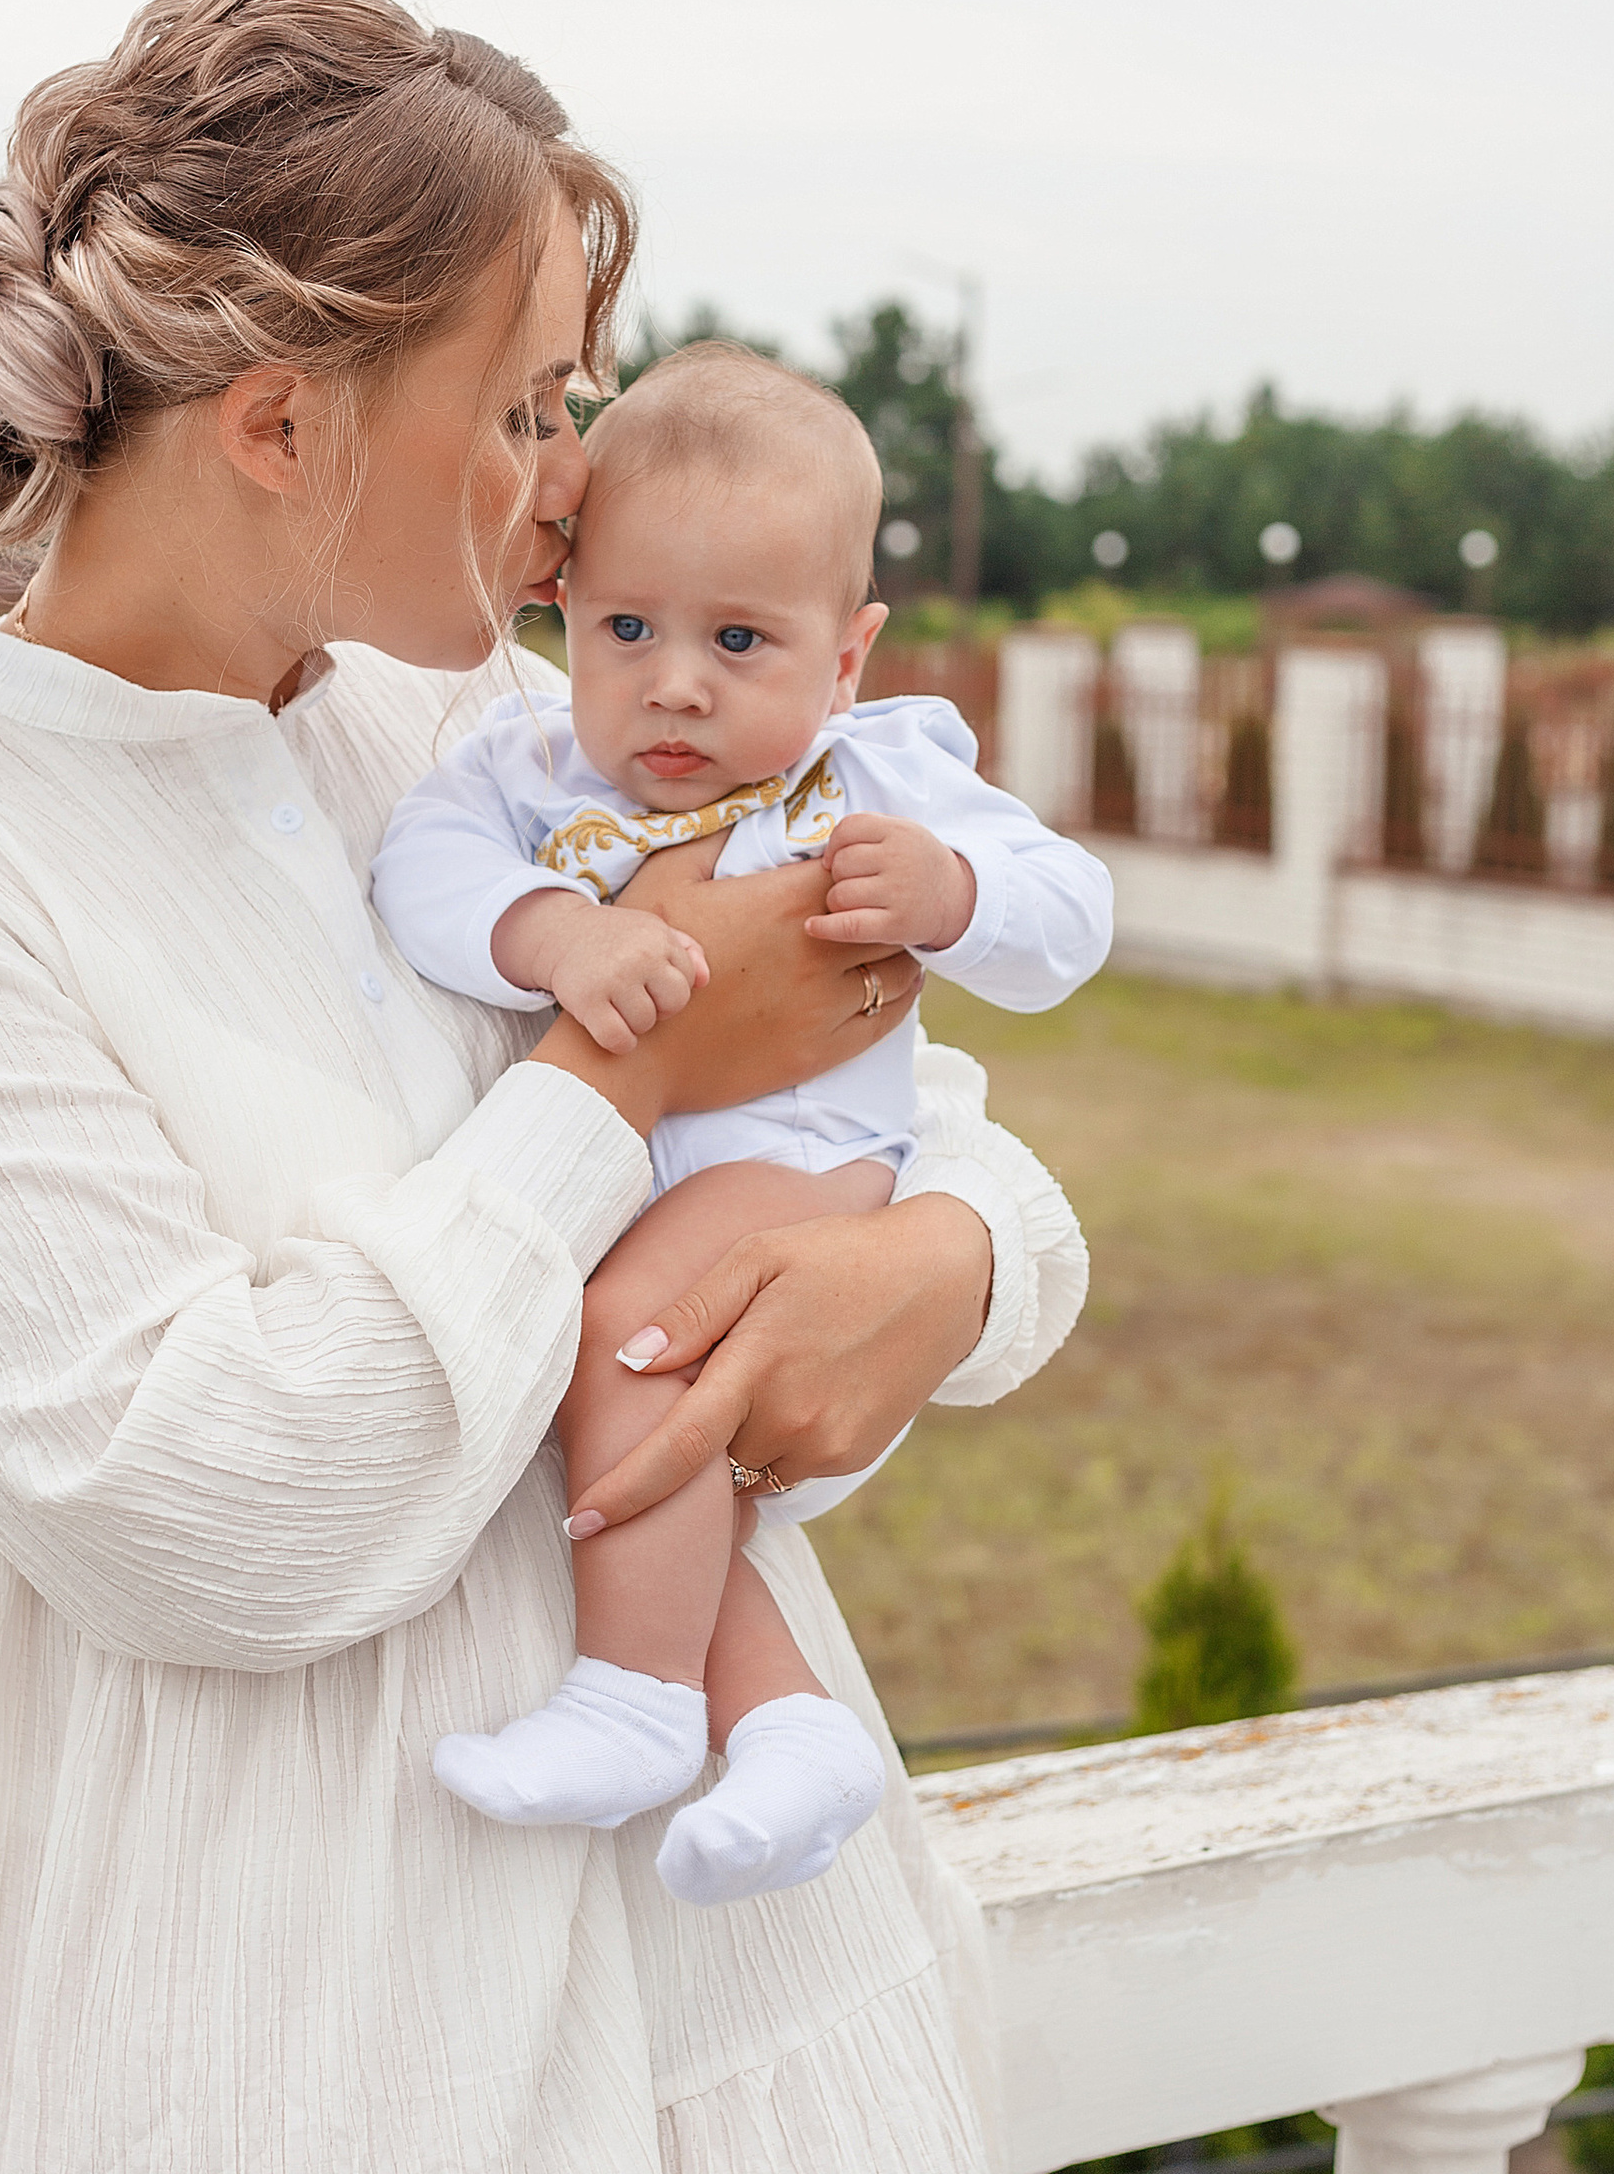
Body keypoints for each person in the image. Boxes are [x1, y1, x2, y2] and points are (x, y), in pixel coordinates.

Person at [0, 0, 1091, 2173]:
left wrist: (948, 1268)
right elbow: (222, 1511)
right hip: (272, 2036)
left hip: (733, 2007)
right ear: (280, 427)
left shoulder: (479, 746)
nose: (578, 492)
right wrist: (607, 1083)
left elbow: (932, 1140)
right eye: (535, 404)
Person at [372, 343, 1111, 1909]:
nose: (677, 682)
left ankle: (636, 1706)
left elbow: (1073, 922)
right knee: (641, 1397)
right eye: (628, 628)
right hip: (652, 1170)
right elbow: (420, 877)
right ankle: (788, 1728)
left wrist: (955, 893)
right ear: (565, 611)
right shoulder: (520, 767)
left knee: (630, 1332)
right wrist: (554, 938)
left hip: (799, 1171)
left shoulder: (878, 773)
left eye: (740, 640)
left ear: (847, 656)